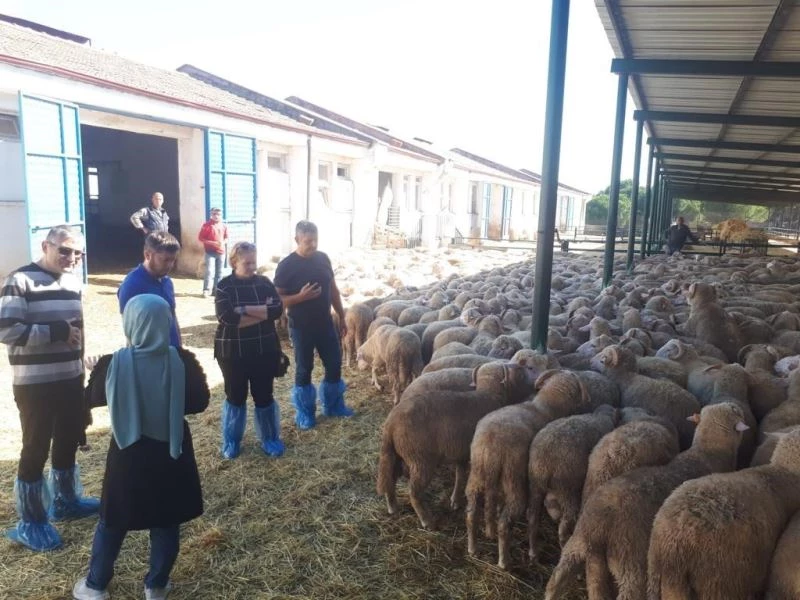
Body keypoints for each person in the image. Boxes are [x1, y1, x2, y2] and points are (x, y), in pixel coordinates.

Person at [73, 294, 209, 600]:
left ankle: (95, 586)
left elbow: (89, 400)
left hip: (128, 454)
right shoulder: (183, 360)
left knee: (113, 520)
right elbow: (200, 401)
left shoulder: (113, 363)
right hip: (171, 452)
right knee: (166, 519)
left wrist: (97, 372)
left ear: (130, 323)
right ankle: (156, 585)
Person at [0, 225, 99, 552]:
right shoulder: (20, 280)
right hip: (36, 384)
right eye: (65, 251)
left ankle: (66, 502)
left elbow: (77, 331)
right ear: (46, 246)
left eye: (78, 253)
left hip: (70, 379)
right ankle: (31, 522)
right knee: (35, 447)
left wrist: (81, 364)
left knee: (68, 439)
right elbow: (6, 329)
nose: (72, 258)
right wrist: (55, 331)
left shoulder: (73, 282)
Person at [273, 221, 353, 430]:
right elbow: (276, 299)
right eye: (308, 241)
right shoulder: (287, 265)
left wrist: (342, 316)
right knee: (304, 369)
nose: (313, 244)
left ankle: (334, 406)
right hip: (301, 326)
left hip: (325, 322)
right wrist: (300, 297)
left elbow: (333, 289)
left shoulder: (323, 258)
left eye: (315, 240)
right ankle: (306, 413)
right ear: (297, 239)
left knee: (334, 364)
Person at [214, 242, 286, 459]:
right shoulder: (224, 286)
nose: (252, 266)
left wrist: (244, 309)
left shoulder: (264, 283)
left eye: (254, 261)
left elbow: (276, 310)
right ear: (234, 262)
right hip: (232, 352)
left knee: (264, 395)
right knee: (235, 396)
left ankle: (270, 439)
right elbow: (226, 317)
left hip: (263, 349)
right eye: (247, 263)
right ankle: (232, 441)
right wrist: (260, 313)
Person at [118, 232, 181, 347]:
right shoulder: (132, 285)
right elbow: (129, 328)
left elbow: (173, 316)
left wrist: (180, 350)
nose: (170, 265)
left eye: (173, 260)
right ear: (147, 255)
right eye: (165, 260)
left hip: (171, 353)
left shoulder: (167, 282)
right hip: (148, 356)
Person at [197, 207, 228, 297]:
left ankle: (216, 290)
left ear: (221, 215)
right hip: (210, 252)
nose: (216, 216)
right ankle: (206, 290)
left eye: (218, 214)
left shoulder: (224, 226)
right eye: (214, 214)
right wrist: (213, 243)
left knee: (220, 272)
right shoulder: (207, 225)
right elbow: (201, 238)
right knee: (209, 271)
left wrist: (223, 242)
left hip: (221, 252)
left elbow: (226, 237)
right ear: (211, 215)